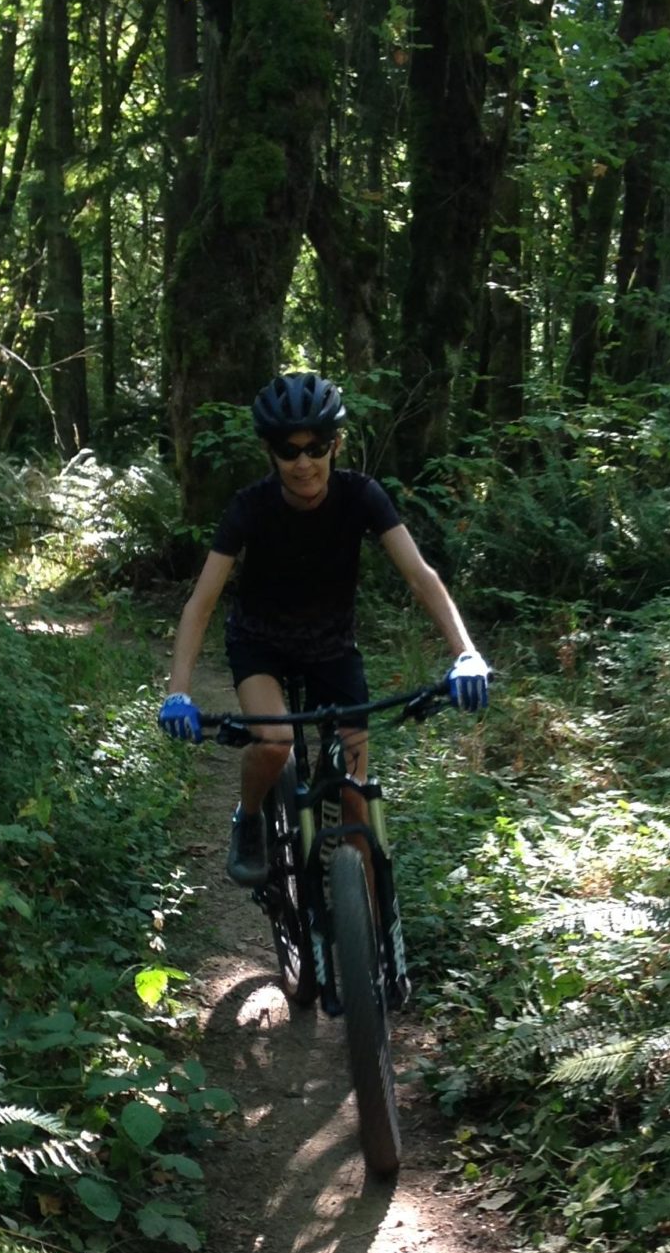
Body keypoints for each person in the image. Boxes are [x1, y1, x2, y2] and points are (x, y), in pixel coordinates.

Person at [157, 370, 489, 884]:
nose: (304, 462)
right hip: (260, 642)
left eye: (317, 447)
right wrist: (178, 692)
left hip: (331, 646)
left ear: (336, 445)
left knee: (356, 800)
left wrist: (465, 652)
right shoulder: (249, 507)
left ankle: (377, 954)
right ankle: (248, 819)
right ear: (271, 453)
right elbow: (201, 604)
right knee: (273, 742)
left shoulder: (361, 496)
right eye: (289, 451)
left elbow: (422, 578)